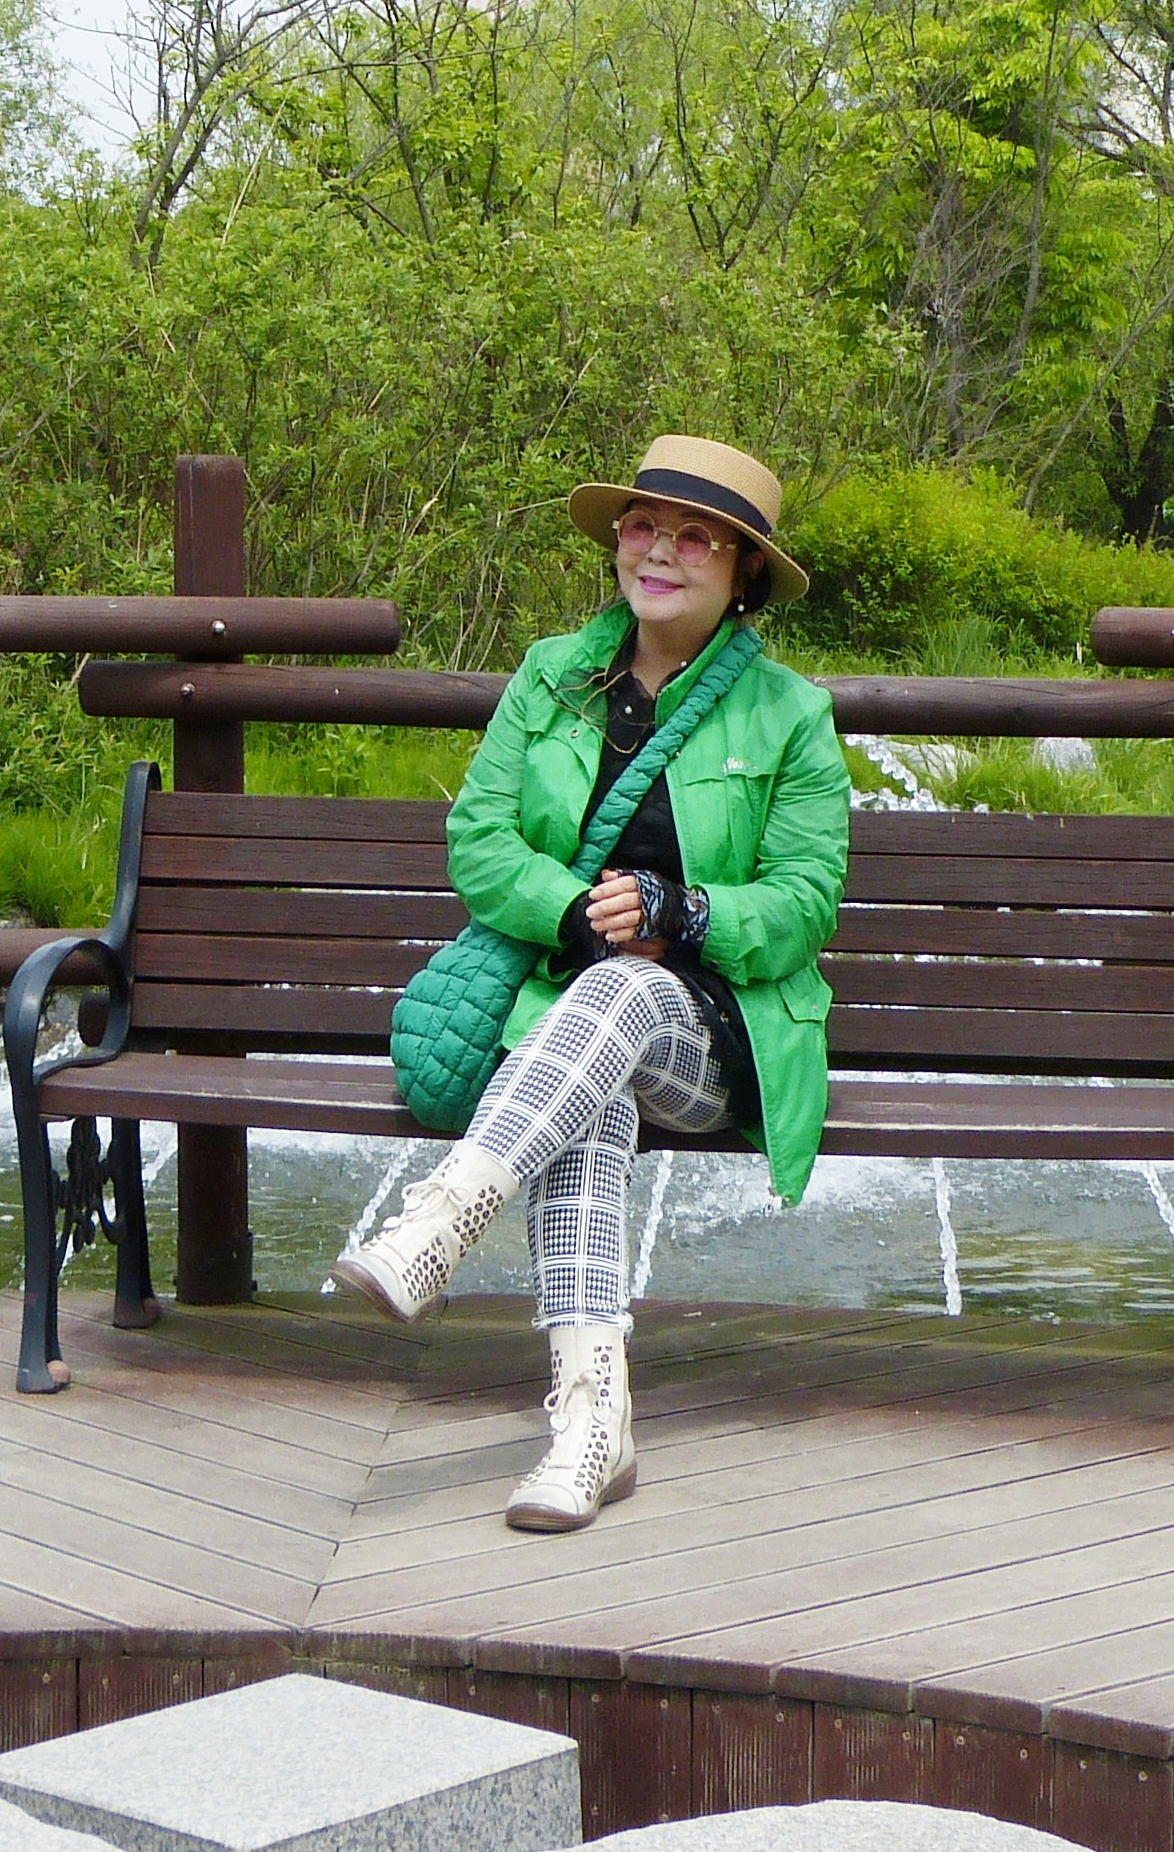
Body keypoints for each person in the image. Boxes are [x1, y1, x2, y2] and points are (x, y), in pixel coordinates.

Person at [334, 435, 852, 1531]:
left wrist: (685, 912)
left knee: (622, 993)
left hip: (719, 1033)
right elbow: (479, 839)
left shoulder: (789, 714)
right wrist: (573, 911)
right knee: (591, 1087)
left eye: (695, 537)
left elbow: (807, 901)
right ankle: (589, 1426)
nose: (658, 550)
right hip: (564, 1029)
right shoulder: (551, 675)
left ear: (743, 572)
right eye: (642, 525)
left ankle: (442, 1219)